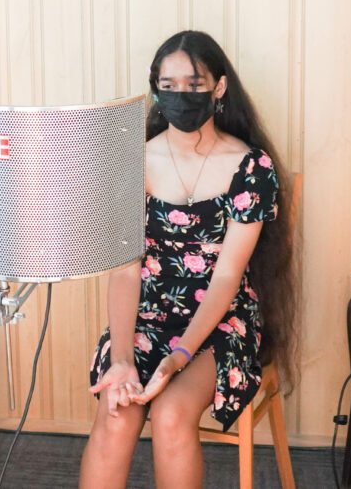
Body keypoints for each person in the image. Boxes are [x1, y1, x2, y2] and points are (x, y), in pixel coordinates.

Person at [79, 31, 299, 488]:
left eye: (195, 84)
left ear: (219, 87)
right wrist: (121, 359)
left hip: (222, 320)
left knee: (172, 414)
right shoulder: (131, 161)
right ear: (156, 88)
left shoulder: (251, 167)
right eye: (169, 84)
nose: (182, 95)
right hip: (146, 315)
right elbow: (124, 270)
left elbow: (226, 278)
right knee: (117, 411)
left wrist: (178, 357)